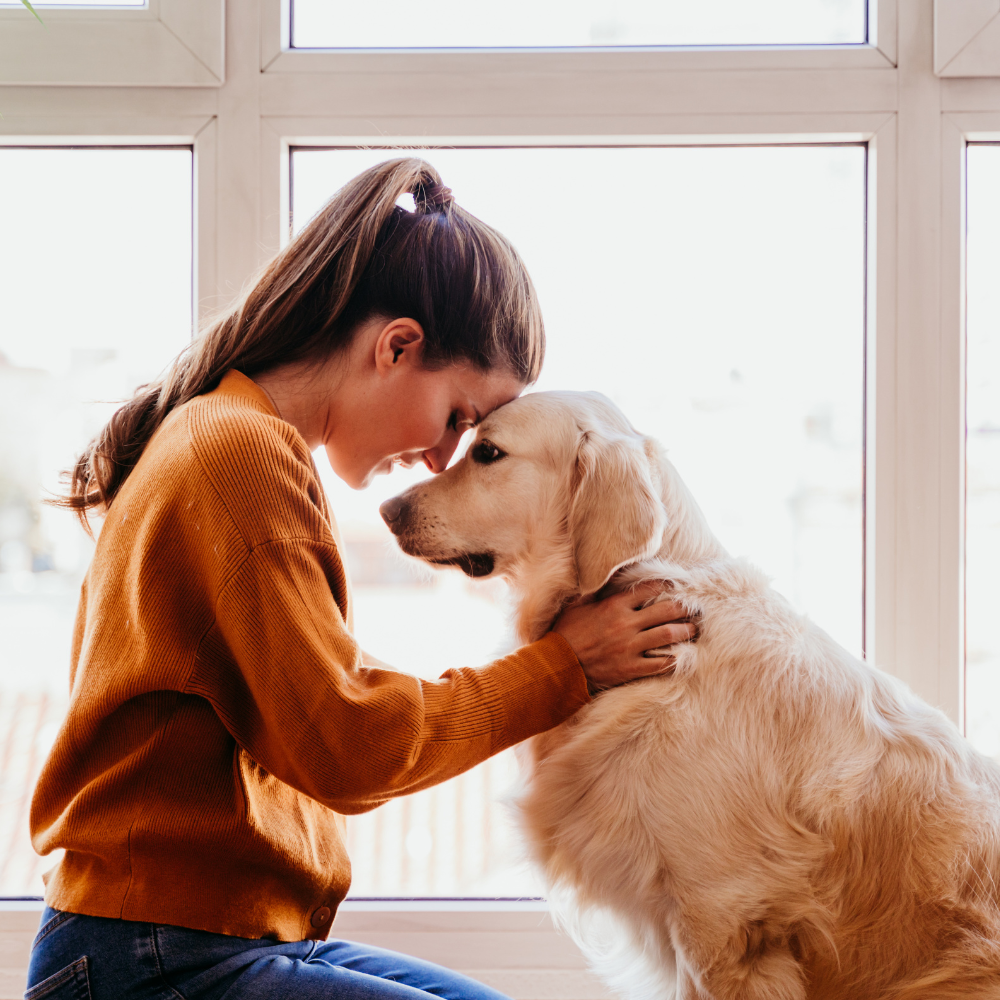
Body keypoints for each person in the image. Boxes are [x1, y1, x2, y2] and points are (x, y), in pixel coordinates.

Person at [25, 158, 695, 1000]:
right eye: (458, 416)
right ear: (397, 346)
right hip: (148, 959)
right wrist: (568, 666)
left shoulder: (232, 437)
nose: (443, 456)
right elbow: (350, 743)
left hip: (203, 939)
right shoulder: (237, 453)